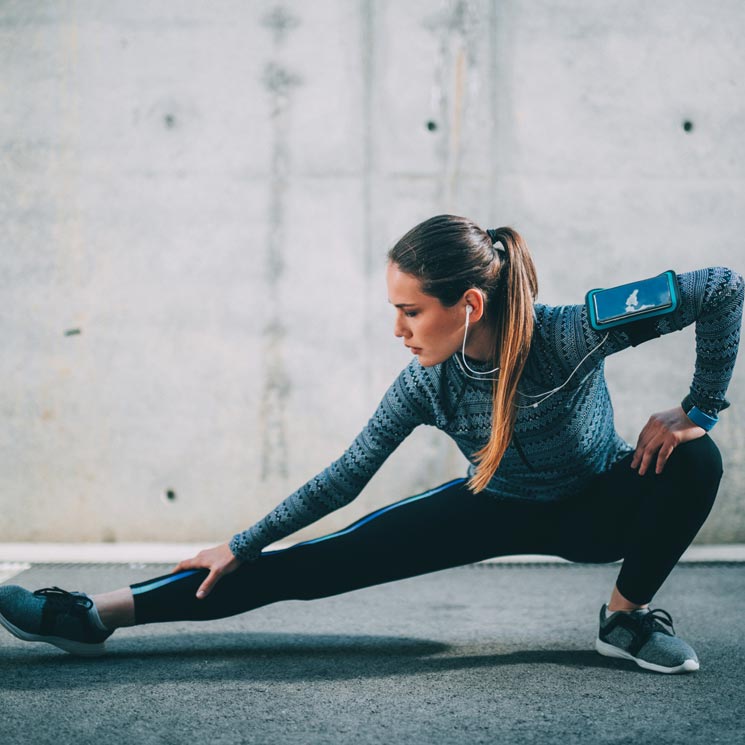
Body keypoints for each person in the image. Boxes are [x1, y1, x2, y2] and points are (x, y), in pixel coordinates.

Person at [1, 215, 742, 674]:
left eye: (410, 311)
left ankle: (623, 618)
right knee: (304, 565)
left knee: (697, 457)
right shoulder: (425, 383)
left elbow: (721, 287)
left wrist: (698, 406)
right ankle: (92, 614)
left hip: (597, 507)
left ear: (468, 304)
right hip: (492, 504)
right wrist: (241, 539)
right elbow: (345, 477)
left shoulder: (575, 329)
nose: (399, 329)